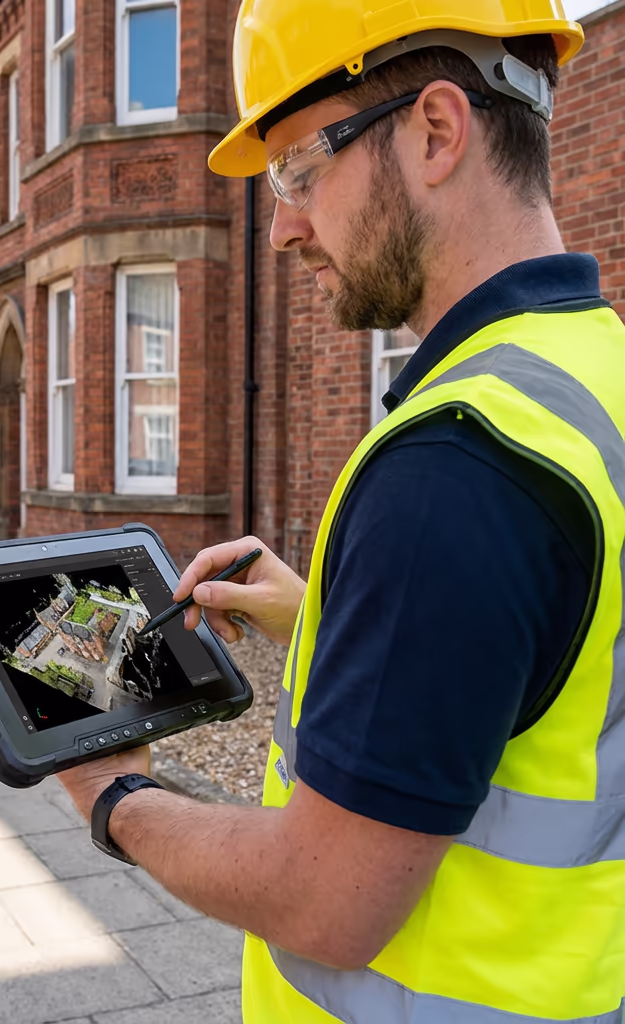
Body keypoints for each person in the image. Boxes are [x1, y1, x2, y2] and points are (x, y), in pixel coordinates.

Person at [57, 1, 625, 1020]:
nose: (281, 227)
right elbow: (555, 665)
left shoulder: (455, 465)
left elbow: (324, 898)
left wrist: (116, 798)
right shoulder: (593, 375)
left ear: (436, 130)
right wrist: (323, 611)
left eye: (300, 173)